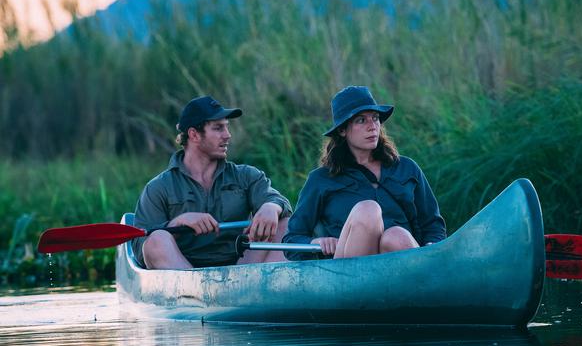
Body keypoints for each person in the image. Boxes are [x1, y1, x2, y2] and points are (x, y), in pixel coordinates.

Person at [282, 85, 445, 260]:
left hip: (402, 263)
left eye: (375, 118)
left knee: (396, 235)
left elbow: (432, 226)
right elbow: (291, 242)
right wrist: (315, 243)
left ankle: (425, 280)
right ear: (342, 130)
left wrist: (431, 247)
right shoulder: (321, 179)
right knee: (368, 210)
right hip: (346, 273)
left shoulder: (407, 168)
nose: (372, 126)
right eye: (361, 120)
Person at [133, 95, 292, 269]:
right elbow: (142, 251)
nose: (227, 135)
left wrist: (272, 207)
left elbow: (279, 201)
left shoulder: (247, 175)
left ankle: (254, 289)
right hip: (184, 277)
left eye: (227, 127)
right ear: (194, 134)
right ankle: (196, 294)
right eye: (218, 128)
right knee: (156, 239)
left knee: (285, 223)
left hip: (244, 269)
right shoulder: (158, 188)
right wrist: (176, 224)